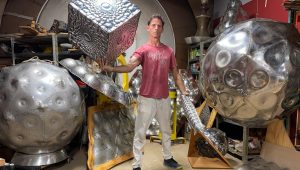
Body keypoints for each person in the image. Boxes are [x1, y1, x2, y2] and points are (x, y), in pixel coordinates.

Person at [101, 14, 187, 170]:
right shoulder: (143, 50)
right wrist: (112, 68)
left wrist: (184, 92)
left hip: (163, 98)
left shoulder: (169, 51)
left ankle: (168, 158)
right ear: (148, 28)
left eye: (159, 26)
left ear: (162, 29)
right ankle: (137, 164)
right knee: (140, 133)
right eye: (153, 25)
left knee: (166, 131)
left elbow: (176, 75)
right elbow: (130, 66)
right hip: (146, 98)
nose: (156, 28)